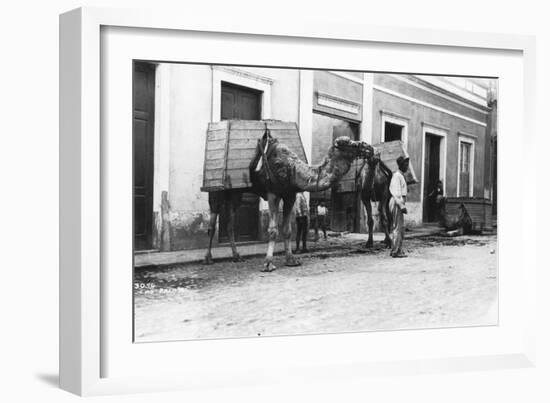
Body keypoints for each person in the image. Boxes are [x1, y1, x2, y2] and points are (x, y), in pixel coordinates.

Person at [389, 156, 409, 258]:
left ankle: (397, 249)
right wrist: (402, 206)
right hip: (397, 203)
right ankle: (395, 251)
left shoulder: (400, 176)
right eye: (406, 164)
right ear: (401, 165)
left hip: (398, 202)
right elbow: (396, 193)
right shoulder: (397, 176)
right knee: (397, 227)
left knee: (399, 227)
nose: (407, 166)